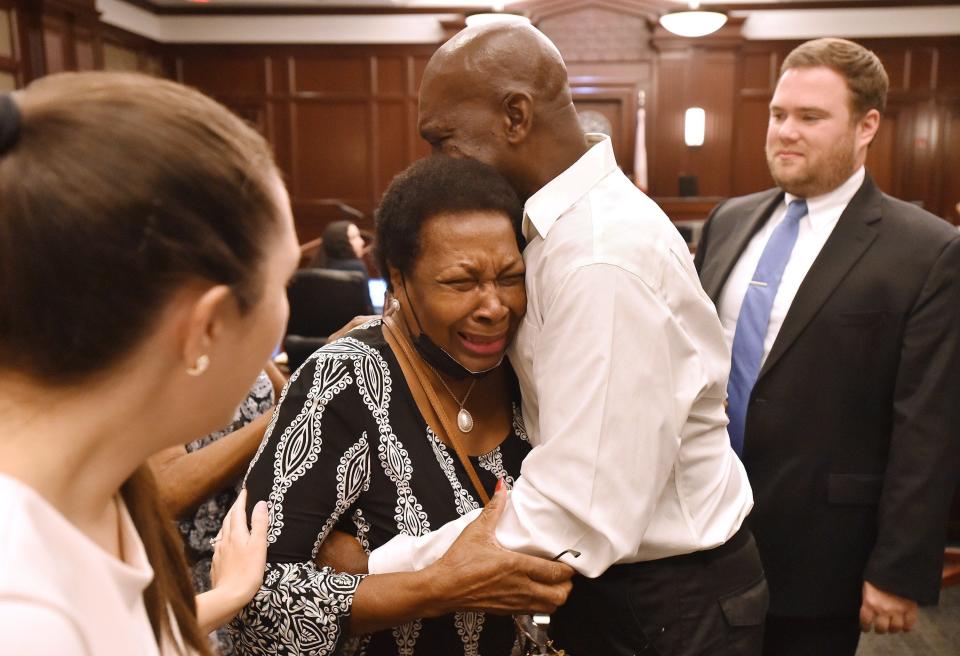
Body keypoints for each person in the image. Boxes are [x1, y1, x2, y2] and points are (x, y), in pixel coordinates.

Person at [360, 23, 766, 656]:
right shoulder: (559, 228)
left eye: (443, 140)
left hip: (666, 603)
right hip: (637, 591)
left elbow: (581, 507)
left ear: (515, 115)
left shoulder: (599, 258)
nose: (437, 165)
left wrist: (371, 572)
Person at [0, 71, 301, 654]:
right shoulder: (24, 616)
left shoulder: (99, 485)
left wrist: (229, 593)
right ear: (208, 325)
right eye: (284, 281)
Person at [231, 155, 573, 655]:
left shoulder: (530, 367)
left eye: (509, 277)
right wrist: (438, 587)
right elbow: (253, 600)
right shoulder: (347, 379)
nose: (494, 307)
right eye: (460, 282)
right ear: (398, 279)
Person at [694, 38, 960, 655]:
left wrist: (898, 568)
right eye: (778, 114)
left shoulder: (926, 250)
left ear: (867, 125)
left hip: (822, 552)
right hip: (700, 534)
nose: (785, 132)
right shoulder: (729, 220)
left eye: (811, 118)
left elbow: (928, 424)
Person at [151, 363, 286, 655]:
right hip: (191, 575)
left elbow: (280, 391)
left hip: (246, 559)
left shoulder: (240, 336)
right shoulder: (153, 348)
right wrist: (285, 412)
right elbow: (168, 489)